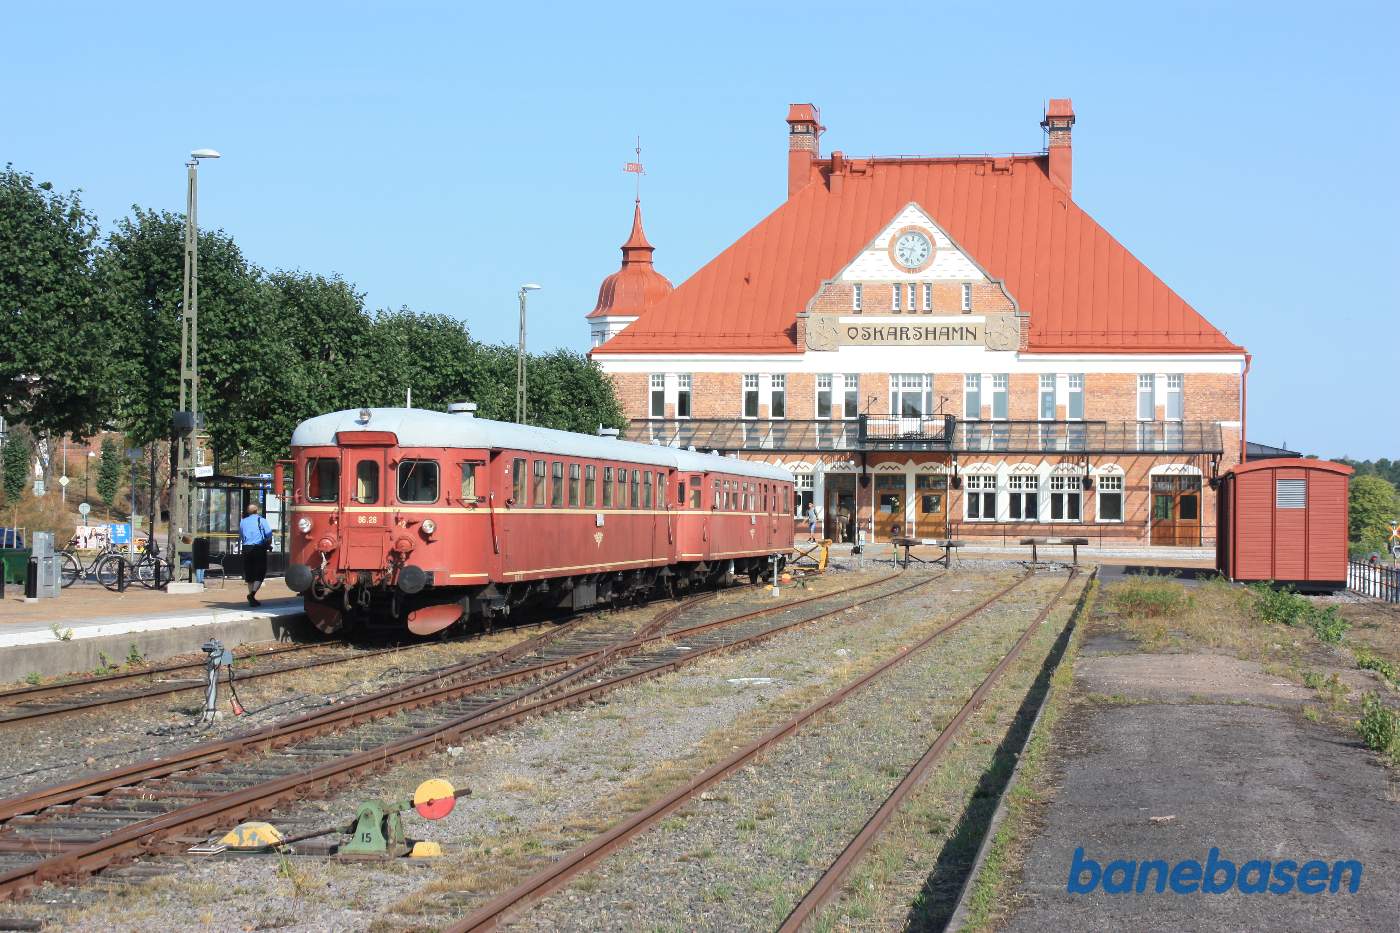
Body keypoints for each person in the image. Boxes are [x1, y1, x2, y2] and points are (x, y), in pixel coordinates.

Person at [239, 502, 273, 606]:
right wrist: (268, 543)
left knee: (249, 573)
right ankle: (252, 594)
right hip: (258, 548)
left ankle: (251, 598)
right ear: (257, 511)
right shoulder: (261, 520)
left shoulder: (243, 522)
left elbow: (241, 535)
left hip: (246, 548)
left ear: (248, 512)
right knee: (260, 572)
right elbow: (269, 534)